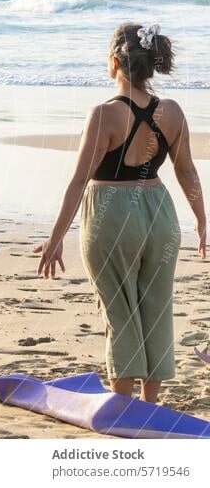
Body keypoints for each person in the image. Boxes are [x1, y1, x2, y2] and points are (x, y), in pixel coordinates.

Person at [35, 22, 207, 403]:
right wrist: (201, 219)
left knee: (120, 311)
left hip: (112, 216)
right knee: (157, 307)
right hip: (161, 214)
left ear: (114, 62)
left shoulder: (104, 115)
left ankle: (124, 405)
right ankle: (150, 405)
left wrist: (55, 237)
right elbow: (187, 172)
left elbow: (79, 181)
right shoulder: (173, 112)